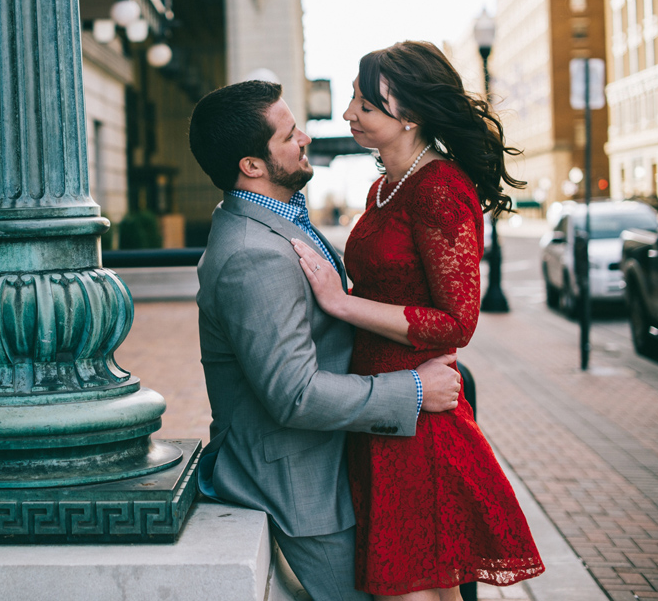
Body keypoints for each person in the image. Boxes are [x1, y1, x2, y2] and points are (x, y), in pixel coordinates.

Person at [188, 79, 464, 601]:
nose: (306, 138)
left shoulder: (275, 221)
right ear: (252, 165)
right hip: (300, 486)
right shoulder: (254, 255)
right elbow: (295, 394)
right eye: (290, 134)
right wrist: (416, 390)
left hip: (336, 461)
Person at [292, 41, 545, 600]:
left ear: (406, 115)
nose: (347, 114)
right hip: (384, 406)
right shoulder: (385, 185)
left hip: (419, 424)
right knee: (415, 588)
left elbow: (457, 322)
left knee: (411, 591)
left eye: (363, 104)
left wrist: (341, 302)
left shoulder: (440, 190)